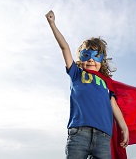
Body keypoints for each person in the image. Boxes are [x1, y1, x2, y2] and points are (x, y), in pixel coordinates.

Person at [45, 10, 129, 159]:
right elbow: (65, 48)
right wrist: (52, 24)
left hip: (103, 137)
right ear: (81, 58)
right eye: (86, 55)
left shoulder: (106, 82)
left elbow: (114, 106)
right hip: (79, 135)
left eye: (96, 56)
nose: (91, 60)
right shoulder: (76, 74)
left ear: (101, 61)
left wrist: (124, 128)